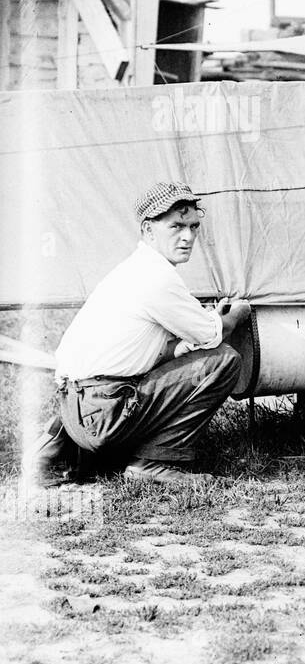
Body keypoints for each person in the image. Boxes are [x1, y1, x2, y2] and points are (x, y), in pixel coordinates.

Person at [26, 181, 250, 488]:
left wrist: (179, 348)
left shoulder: (130, 270)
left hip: (73, 408)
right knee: (223, 361)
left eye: (194, 227)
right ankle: (155, 462)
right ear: (148, 230)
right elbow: (213, 335)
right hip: (103, 413)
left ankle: (54, 453)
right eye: (176, 226)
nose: (188, 237)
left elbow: (138, 351)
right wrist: (238, 313)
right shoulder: (157, 278)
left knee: (165, 362)